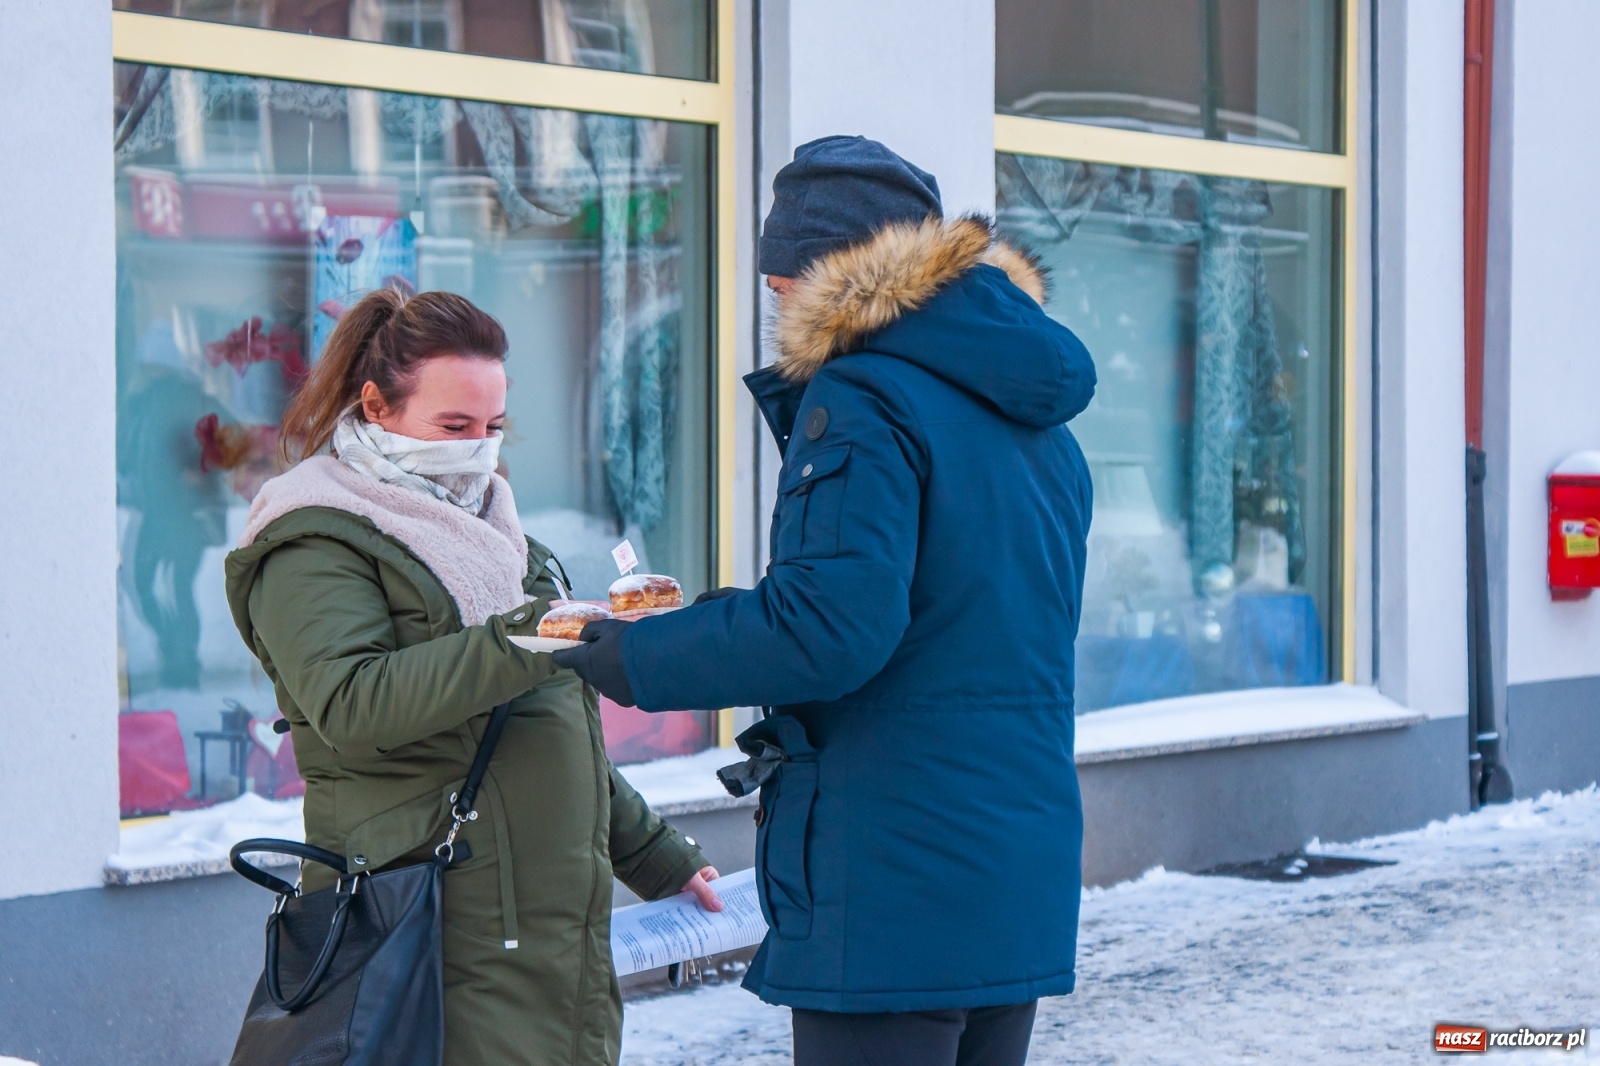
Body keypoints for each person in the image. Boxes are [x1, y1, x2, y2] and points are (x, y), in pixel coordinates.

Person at [556, 135, 1097, 1066]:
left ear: (828, 273)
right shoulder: (1030, 417)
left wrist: (629, 655)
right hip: (1015, 866)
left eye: (779, 283)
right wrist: (709, 622)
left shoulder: (863, 396)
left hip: (895, 874)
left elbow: (832, 630)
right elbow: (937, 617)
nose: (774, 303)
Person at [223, 288, 718, 1066]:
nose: (477, 450)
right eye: (453, 427)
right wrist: (525, 635)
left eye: (492, 428)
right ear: (376, 406)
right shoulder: (313, 538)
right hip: (433, 931)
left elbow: (550, 722)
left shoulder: (496, 531)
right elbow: (352, 704)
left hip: (551, 942)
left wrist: (657, 856)